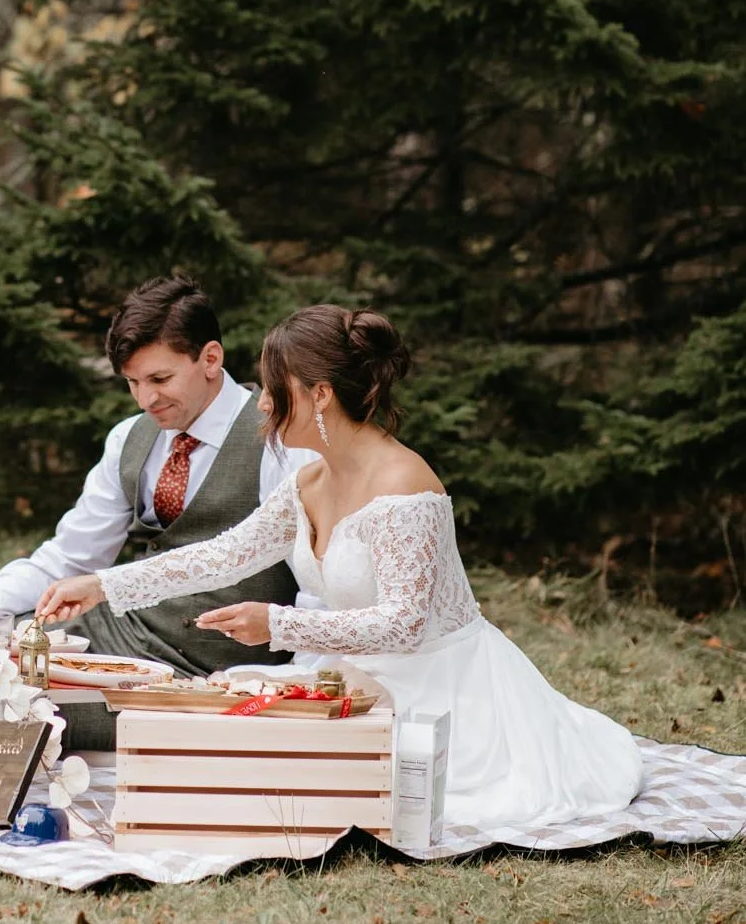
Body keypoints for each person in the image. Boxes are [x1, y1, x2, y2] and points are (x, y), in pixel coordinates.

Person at [37, 304, 644, 834]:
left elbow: (406, 625)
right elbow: (224, 554)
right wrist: (102, 585)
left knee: (332, 790)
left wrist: (277, 625)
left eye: (276, 389)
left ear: (319, 393)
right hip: (352, 676)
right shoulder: (309, 479)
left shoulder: (406, 485)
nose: (264, 403)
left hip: (442, 690)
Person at [0, 275, 319, 681]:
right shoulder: (130, 437)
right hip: (113, 636)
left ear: (211, 359)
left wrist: (299, 685)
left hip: (211, 670)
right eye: (133, 383)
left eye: (160, 380)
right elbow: (69, 558)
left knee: (14, 704)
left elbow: (316, 585)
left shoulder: (280, 441)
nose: (146, 400)